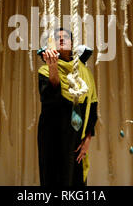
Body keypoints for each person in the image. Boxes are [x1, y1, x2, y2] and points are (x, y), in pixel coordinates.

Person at [37, 28, 98, 186]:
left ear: (73, 44)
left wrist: (88, 140)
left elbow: (92, 107)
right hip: (52, 138)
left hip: (76, 139)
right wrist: (53, 68)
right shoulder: (45, 70)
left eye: (66, 37)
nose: (61, 39)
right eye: (57, 38)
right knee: (54, 179)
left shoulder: (85, 73)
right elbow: (51, 100)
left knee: (76, 182)